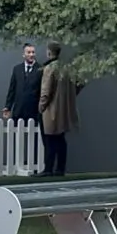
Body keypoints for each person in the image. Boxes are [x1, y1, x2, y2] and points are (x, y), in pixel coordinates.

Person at [37, 45, 76, 178]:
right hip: (63, 110)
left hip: (51, 110)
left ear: (49, 52)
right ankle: (60, 168)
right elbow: (79, 84)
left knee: (49, 140)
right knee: (60, 139)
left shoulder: (49, 68)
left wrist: (41, 107)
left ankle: (48, 168)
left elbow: (46, 91)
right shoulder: (66, 68)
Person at [2, 42, 42, 125]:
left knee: (33, 132)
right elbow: (12, 90)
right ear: (23, 54)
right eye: (29, 52)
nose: (31, 55)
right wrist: (8, 106)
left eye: (33, 52)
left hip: (34, 112)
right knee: (16, 132)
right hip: (18, 111)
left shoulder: (40, 69)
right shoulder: (17, 69)